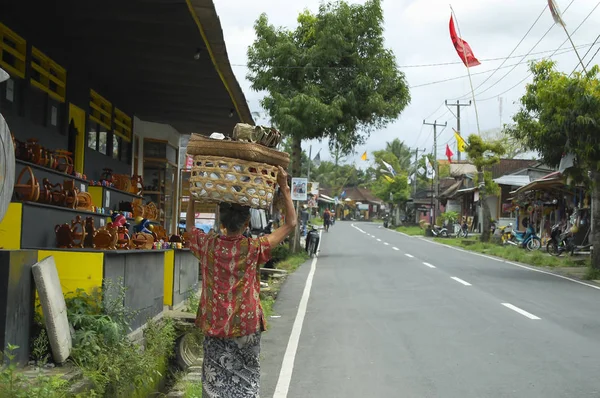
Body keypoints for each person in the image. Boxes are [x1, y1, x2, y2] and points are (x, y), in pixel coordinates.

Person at [186, 166, 296, 398]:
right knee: (246, 378)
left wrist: (193, 195)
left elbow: (188, 229)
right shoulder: (253, 248)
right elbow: (290, 224)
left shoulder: (208, 246)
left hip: (214, 323)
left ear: (221, 221)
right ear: (247, 223)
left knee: (214, 382)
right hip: (245, 325)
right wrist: (284, 188)